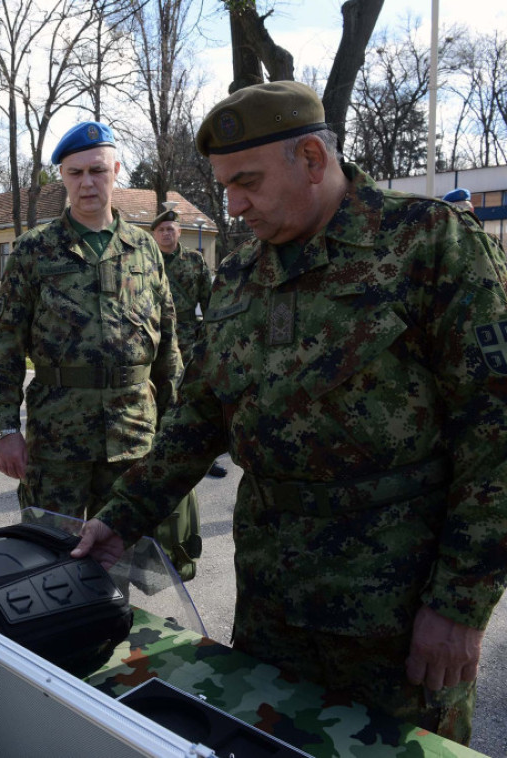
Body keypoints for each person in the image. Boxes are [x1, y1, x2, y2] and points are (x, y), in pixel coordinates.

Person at [72, 81, 507, 745]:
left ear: (311, 158)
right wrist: (122, 517)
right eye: (225, 186)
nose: (233, 205)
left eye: (246, 182)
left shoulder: (428, 244)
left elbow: (495, 435)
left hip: (394, 609)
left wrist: (459, 605)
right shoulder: (241, 271)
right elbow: (200, 417)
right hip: (271, 599)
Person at [0, 120, 192, 573]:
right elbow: (5, 345)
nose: (87, 183)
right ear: (62, 177)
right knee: (47, 555)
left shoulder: (144, 249)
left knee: (123, 559)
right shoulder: (34, 251)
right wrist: (6, 428)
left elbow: (168, 342)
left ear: (115, 171)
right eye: (75, 173)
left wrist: (175, 427)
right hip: (57, 437)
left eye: (97, 170)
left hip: (133, 433)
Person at [150, 208, 228, 479]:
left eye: (170, 229)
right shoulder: (148, 260)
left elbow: (209, 302)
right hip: (155, 334)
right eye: (161, 230)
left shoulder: (195, 260)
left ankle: (202, 456)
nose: (166, 234)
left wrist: (212, 337)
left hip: (187, 337)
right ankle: (159, 453)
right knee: (156, 393)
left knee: (194, 397)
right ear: (154, 234)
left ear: (179, 232)